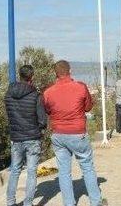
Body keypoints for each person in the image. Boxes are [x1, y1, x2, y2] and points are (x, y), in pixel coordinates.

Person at [43, 60, 106, 206]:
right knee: (87, 167)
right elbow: (88, 107)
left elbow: (48, 110)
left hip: (58, 134)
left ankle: (69, 203)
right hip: (77, 132)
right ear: (70, 70)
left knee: (64, 172)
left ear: (55, 73)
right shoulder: (80, 87)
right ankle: (96, 202)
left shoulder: (48, 92)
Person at [4, 64, 47, 206]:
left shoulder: (8, 94)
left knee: (15, 170)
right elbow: (42, 120)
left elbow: (9, 115)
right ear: (32, 77)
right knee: (32, 172)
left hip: (16, 138)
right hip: (32, 138)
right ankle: (28, 203)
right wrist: (39, 128)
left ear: (20, 75)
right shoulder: (36, 95)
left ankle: (10, 202)